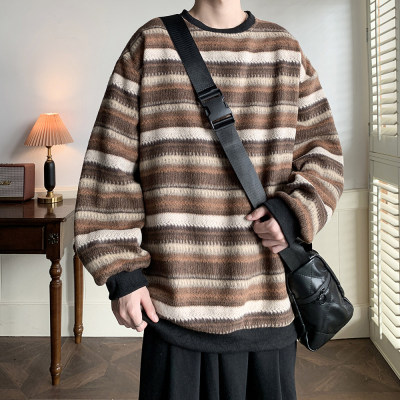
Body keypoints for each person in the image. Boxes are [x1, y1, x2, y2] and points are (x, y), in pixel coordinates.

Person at [73, 0, 344, 399]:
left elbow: (325, 158)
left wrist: (291, 213)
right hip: (173, 312)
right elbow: (109, 167)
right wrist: (122, 274)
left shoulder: (284, 48)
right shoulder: (151, 44)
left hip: (266, 308)